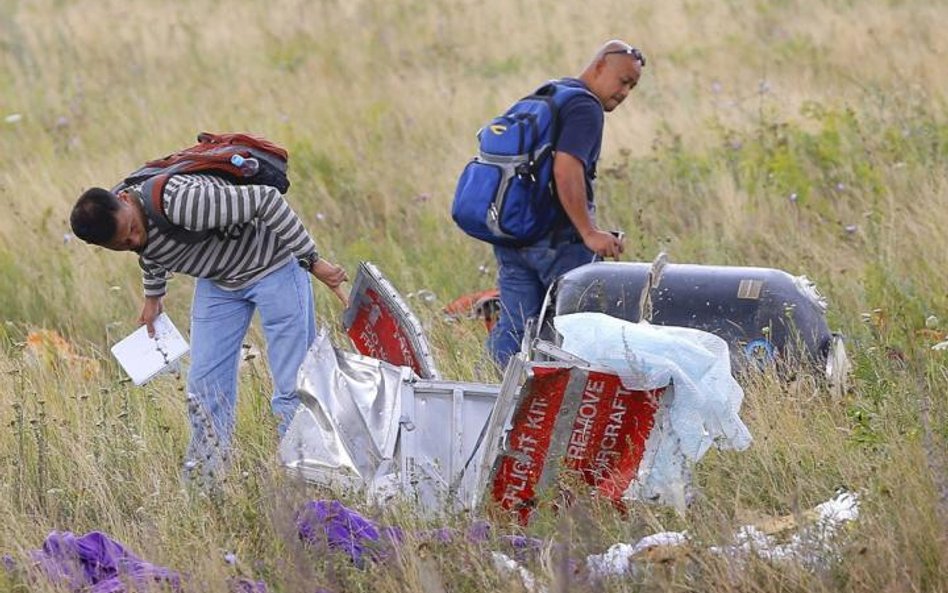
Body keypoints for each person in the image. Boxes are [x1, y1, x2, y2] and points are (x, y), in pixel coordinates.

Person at [69, 172, 348, 482]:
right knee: (204, 391)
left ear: (124, 201)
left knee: (292, 385)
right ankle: (208, 488)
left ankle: (305, 482)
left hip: (274, 266)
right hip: (220, 282)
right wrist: (153, 296)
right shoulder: (124, 221)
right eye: (121, 244)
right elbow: (149, 248)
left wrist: (312, 260)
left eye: (132, 229)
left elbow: (267, 199)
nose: (133, 241)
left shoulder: (181, 202)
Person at [487, 39, 645, 368]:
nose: (625, 92)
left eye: (632, 86)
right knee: (575, 330)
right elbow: (566, 168)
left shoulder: (551, 93)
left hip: (514, 234)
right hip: (556, 242)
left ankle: (487, 389)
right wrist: (589, 232)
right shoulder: (585, 107)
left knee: (515, 327)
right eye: (623, 81)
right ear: (600, 65)